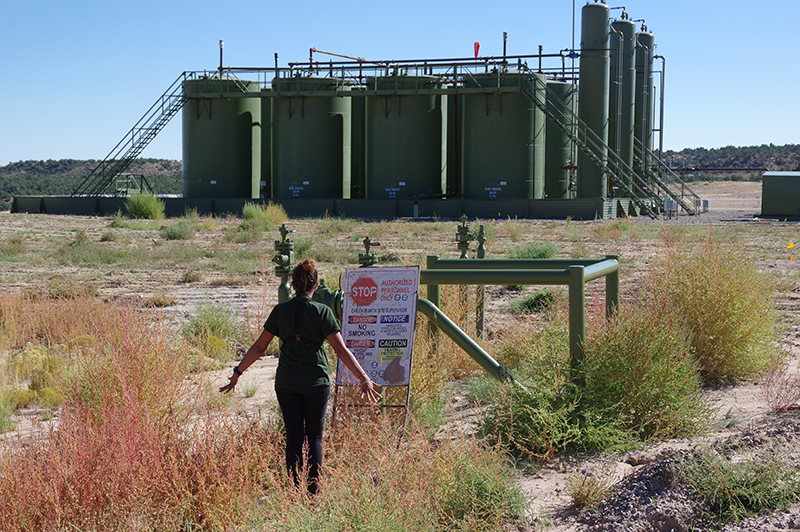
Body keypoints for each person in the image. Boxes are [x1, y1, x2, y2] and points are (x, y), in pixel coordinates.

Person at [219, 259, 381, 494]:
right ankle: (312, 494)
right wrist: (363, 378)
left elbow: (258, 348)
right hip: (316, 382)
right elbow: (340, 350)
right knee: (314, 436)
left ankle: (294, 491)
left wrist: (237, 373)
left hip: (286, 383)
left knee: (294, 436)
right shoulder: (322, 311)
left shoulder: (280, 311)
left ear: (293, 285)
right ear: (315, 286)